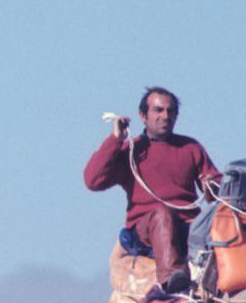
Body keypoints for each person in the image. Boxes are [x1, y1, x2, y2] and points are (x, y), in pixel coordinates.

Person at [83, 86, 221, 291]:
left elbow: (215, 187)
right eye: (158, 110)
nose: (165, 116)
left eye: (170, 111)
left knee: (243, 220)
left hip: (189, 226)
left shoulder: (190, 148)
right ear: (143, 116)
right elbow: (93, 180)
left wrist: (214, 186)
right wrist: (115, 140)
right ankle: (171, 279)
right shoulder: (131, 151)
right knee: (162, 214)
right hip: (146, 230)